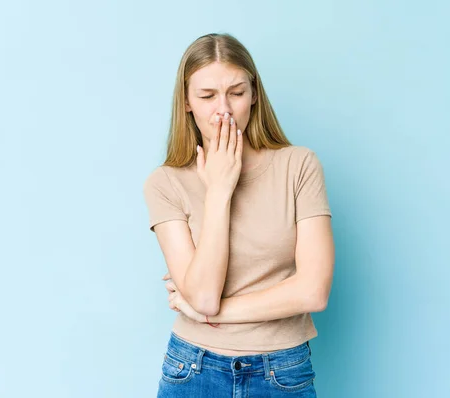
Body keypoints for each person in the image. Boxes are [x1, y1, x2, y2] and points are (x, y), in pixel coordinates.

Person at [143, 32, 335, 398]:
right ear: (186, 101)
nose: (224, 110)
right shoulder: (165, 183)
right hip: (193, 369)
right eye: (207, 96)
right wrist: (219, 190)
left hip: (283, 370)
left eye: (236, 92)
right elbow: (202, 296)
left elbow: (313, 292)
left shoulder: (299, 166)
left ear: (255, 94)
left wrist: (213, 314)